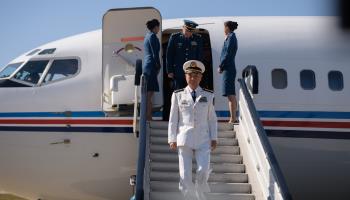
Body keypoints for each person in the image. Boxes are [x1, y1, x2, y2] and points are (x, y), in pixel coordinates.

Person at [168, 60, 217, 200]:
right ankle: (187, 197)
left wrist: (214, 138)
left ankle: (200, 194)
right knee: (185, 174)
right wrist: (172, 139)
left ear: (201, 77)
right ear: (185, 77)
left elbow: (212, 119)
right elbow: (173, 119)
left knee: (203, 170)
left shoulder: (208, 95)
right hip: (184, 138)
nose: (193, 78)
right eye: (190, 75)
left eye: (196, 75)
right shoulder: (178, 95)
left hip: (203, 138)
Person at [166, 20, 203, 90]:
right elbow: (169, 55)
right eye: (186, 30)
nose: (188, 33)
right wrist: (170, 70)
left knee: (191, 90)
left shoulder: (198, 38)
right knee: (178, 90)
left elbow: (199, 56)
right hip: (178, 71)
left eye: (190, 31)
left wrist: (198, 71)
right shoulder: (175, 37)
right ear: (183, 28)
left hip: (192, 71)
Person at [218, 21, 238, 123]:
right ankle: (232, 117)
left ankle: (233, 118)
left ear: (227, 28)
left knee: (230, 94)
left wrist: (221, 66)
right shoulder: (230, 38)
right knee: (230, 94)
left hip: (228, 68)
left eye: (224, 27)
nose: (223, 30)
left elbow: (228, 54)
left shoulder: (231, 38)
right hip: (228, 68)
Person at [143, 19, 161, 121]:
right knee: (149, 95)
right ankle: (148, 117)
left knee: (147, 94)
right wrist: (158, 66)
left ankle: (147, 116)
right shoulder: (153, 37)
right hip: (151, 66)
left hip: (147, 66)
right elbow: (155, 54)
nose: (158, 29)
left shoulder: (147, 36)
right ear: (155, 27)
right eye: (158, 27)